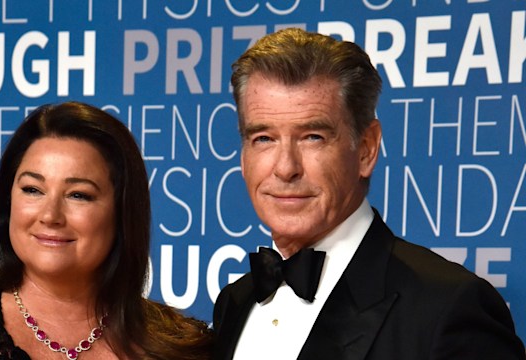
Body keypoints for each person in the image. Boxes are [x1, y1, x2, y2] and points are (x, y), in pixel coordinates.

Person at [212, 28, 525, 359]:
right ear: (243, 156)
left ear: (365, 149)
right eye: (264, 138)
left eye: (313, 136)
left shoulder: (448, 307)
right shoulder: (234, 301)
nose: (286, 167)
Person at [0, 101, 212, 359]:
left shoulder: (185, 347)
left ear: (122, 212)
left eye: (78, 195)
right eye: (32, 189)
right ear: (7, 201)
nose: (50, 215)